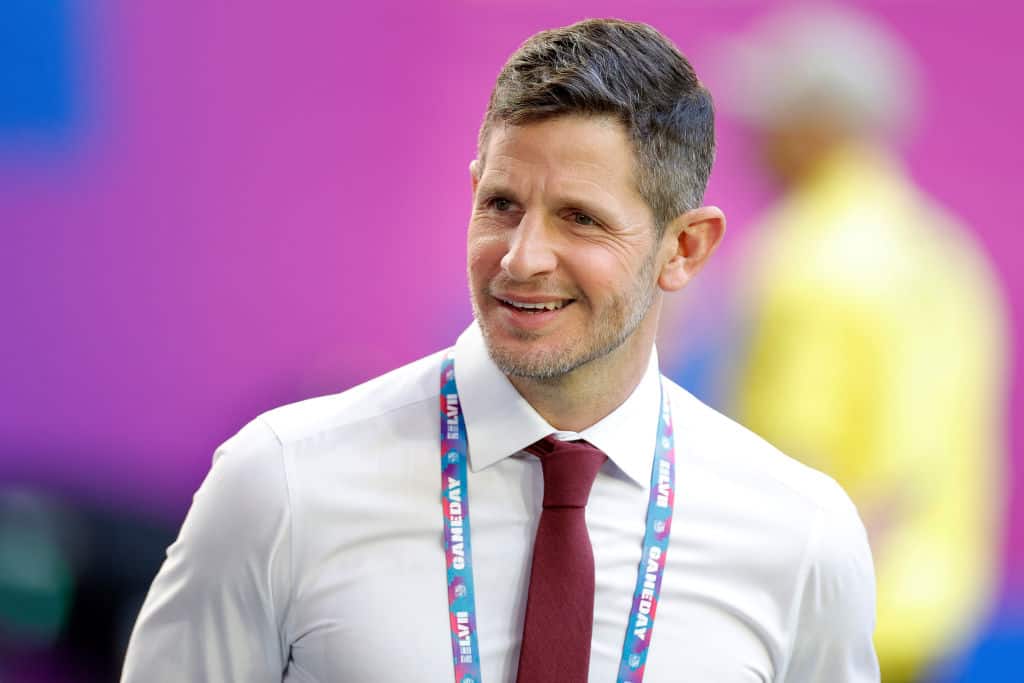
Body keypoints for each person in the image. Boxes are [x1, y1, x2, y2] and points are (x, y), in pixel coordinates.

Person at [121, 18, 879, 682]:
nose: (521, 258)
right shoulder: (281, 482)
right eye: (502, 205)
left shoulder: (801, 535)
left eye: (579, 219)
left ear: (684, 247)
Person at [702, 8, 1009, 682]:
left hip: (822, 627)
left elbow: (786, 461)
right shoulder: (949, 257)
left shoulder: (802, 256)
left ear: (816, 129)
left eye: (771, 117)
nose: (751, 138)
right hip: (932, 624)